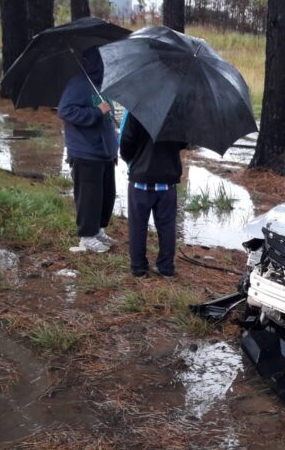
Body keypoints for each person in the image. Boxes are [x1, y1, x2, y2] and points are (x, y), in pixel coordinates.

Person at [57, 46, 118, 253]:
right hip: (86, 153)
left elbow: (106, 115)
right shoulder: (79, 83)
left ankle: (98, 229)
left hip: (105, 152)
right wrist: (95, 113)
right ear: (94, 62)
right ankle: (86, 236)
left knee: (107, 195)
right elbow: (65, 111)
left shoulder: (101, 84)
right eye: (102, 61)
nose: (106, 65)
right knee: (89, 196)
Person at [119, 111, 187, 278]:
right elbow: (183, 142)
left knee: (137, 226)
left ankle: (138, 268)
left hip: (140, 180)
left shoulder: (136, 111)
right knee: (167, 226)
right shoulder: (177, 113)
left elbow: (126, 143)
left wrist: (135, 160)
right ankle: (166, 268)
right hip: (167, 180)